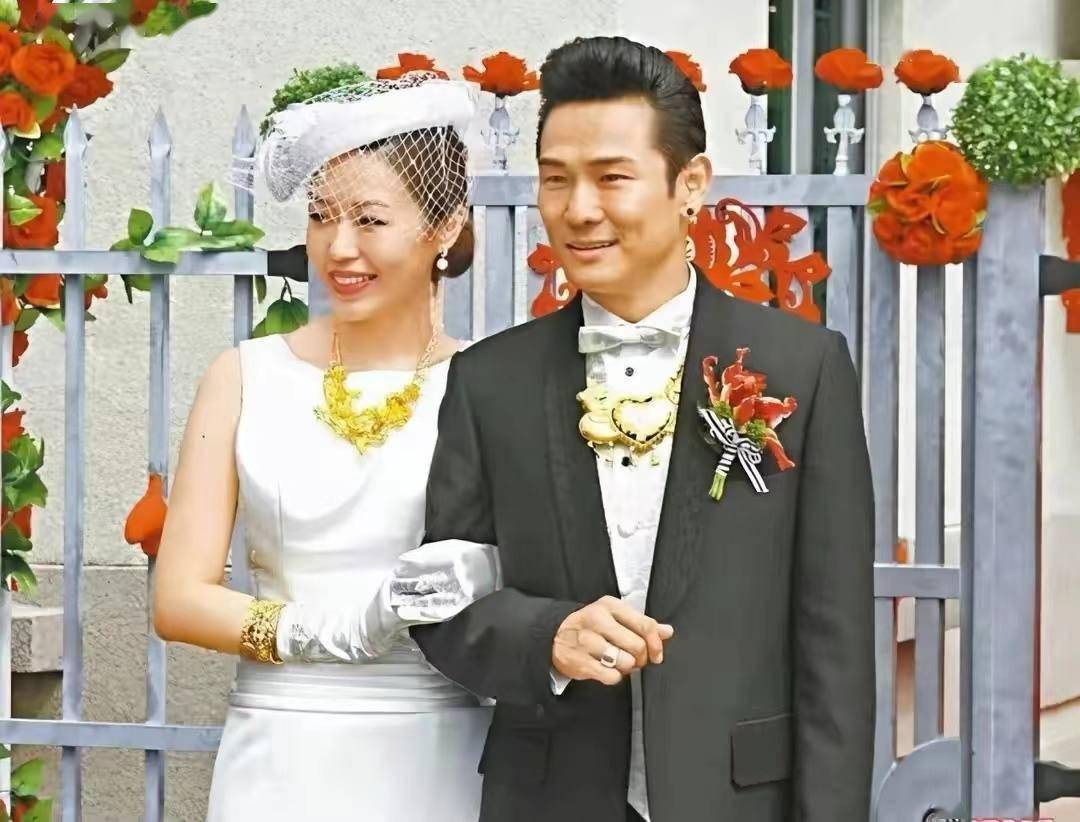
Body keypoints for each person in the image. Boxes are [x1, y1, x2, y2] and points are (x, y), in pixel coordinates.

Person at [412, 36, 876, 821]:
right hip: (549, 799)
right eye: (556, 179)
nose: (578, 209)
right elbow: (440, 599)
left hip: (740, 801)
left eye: (612, 177)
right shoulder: (490, 381)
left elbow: (836, 642)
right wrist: (544, 635)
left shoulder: (803, 367)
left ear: (689, 185)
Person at [151, 70, 496, 820]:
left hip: (438, 752)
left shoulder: (491, 383)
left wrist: (490, 572)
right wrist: (318, 632)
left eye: (370, 220)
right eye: (319, 217)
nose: (339, 247)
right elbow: (177, 599)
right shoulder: (243, 376)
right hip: (281, 752)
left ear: (444, 228)